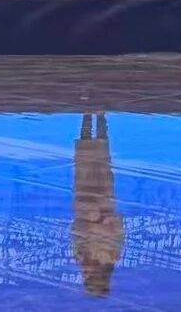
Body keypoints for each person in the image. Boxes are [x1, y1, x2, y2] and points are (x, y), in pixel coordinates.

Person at [71, 113, 124, 298]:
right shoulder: (112, 256)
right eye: (90, 278)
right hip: (103, 201)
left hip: (84, 201)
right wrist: (104, 222)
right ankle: (100, 117)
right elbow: (118, 230)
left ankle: (87, 116)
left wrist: (89, 223)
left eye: (87, 278)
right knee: (101, 160)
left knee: (84, 160)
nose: (87, 274)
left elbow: (75, 229)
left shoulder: (80, 256)